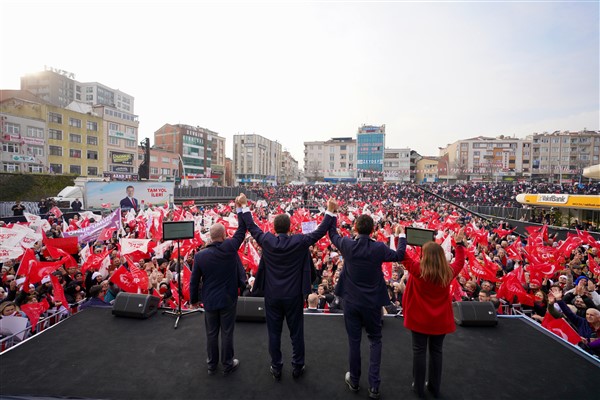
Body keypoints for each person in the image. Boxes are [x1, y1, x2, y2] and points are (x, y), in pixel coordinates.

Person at [238, 192, 336, 381]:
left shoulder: (267, 240)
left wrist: (243, 206)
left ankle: (276, 366)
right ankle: (298, 366)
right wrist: (330, 212)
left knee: (274, 333)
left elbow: (251, 226)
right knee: (296, 333)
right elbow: (320, 231)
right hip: (294, 296)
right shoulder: (299, 241)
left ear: (274, 228)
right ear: (290, 227)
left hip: (272, 296)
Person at [327, 200, 407, 399]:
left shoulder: (347, 245)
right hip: (372, 303)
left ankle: (354, 380)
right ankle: (374, 386)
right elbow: (399, 255)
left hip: (351, 302)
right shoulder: (379, 248)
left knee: (354, 341)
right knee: (375, 340)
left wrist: (332, 213)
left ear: (355, 228)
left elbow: (332, 234)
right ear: (372, 230)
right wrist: (401, 235)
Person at [401, 228, 467, 399]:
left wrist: (401, 235)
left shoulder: (417, 269)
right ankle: (434, 387)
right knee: (437, 352)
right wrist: (459, 244)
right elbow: (460, 261)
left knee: (419, 352)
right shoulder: (448, 272)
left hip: (419, 319)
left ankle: (419, 388)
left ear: (425, 256)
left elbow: (402, 255)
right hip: (440, 321)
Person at [190, 212, 248, 377]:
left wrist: (194, 300)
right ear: (224, 235)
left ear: (210, 236)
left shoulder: (200, 256)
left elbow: (194, 281)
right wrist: (240, 209)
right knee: (227, 332)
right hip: (228, 299)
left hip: (209, 300)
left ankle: (211, 365)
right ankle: (228, 364)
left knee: (211, 333)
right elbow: (242, 230)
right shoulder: (230, 248)